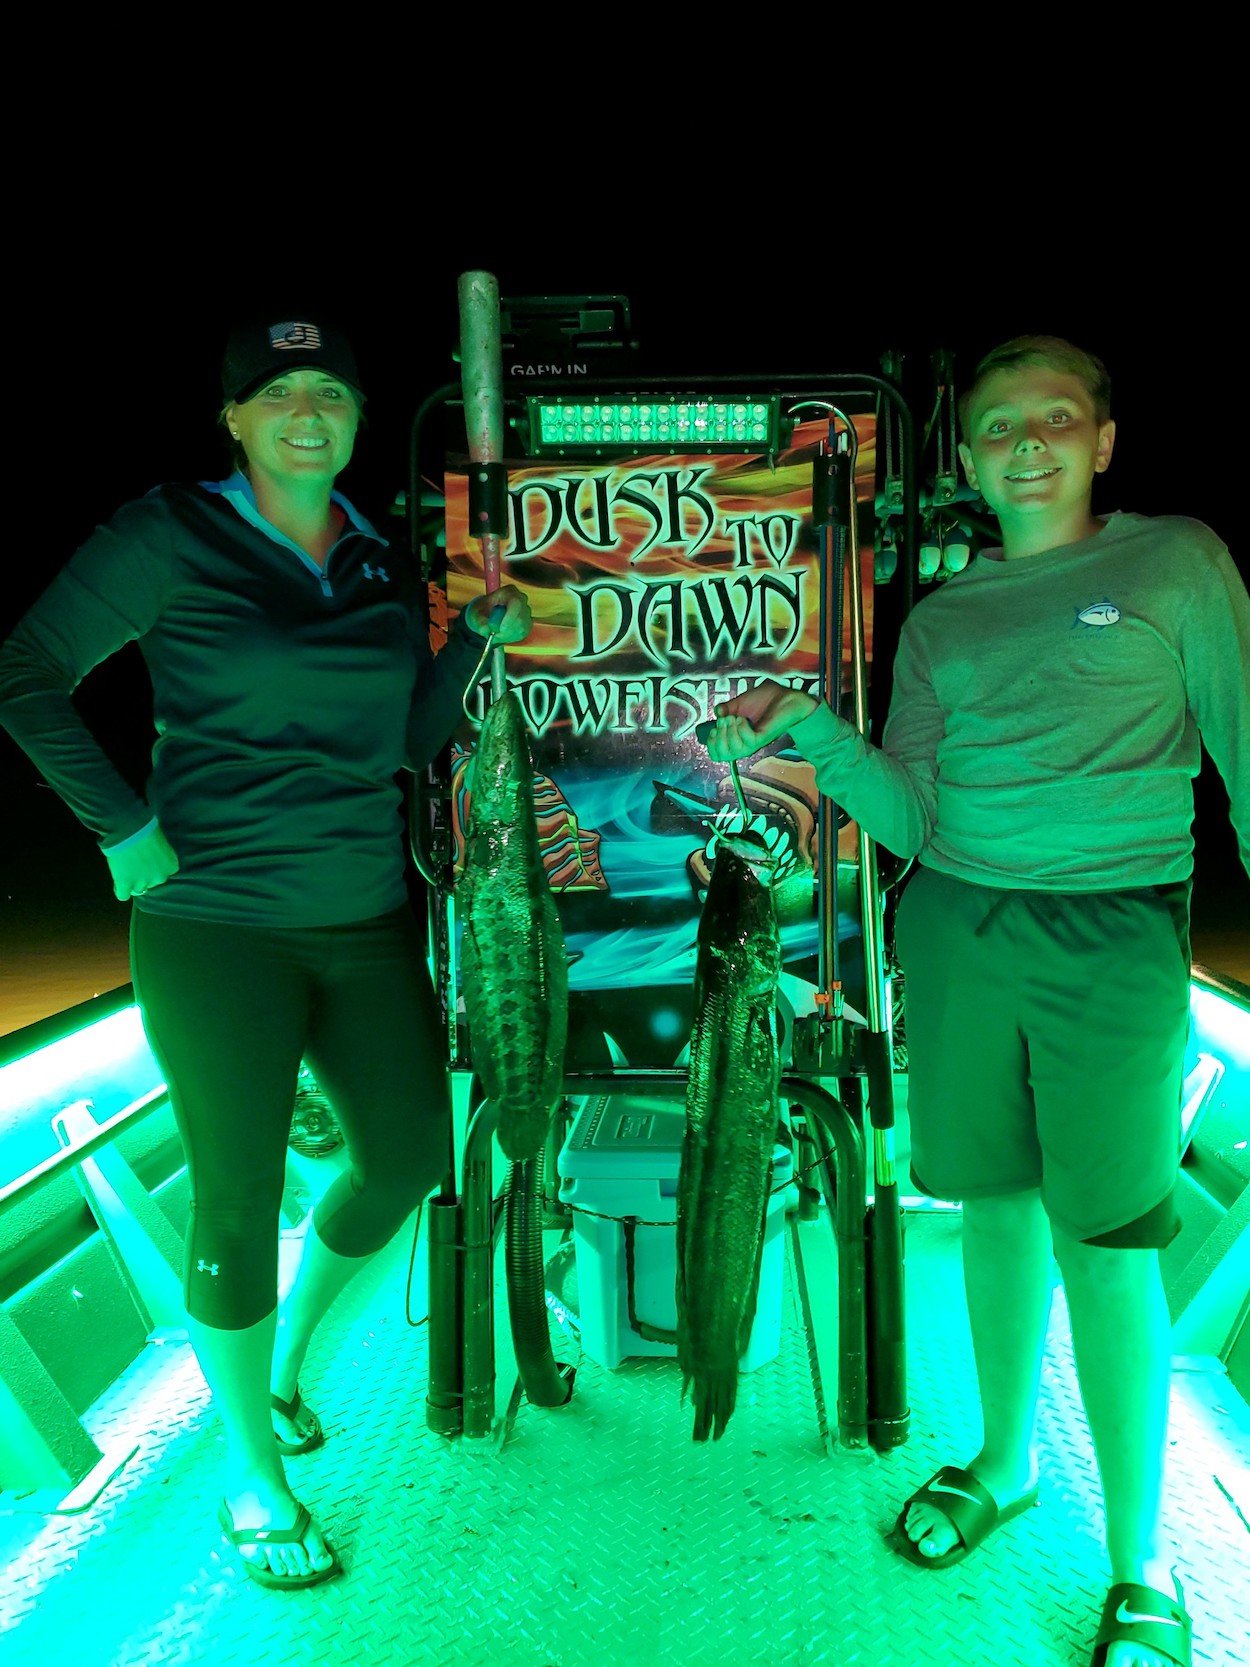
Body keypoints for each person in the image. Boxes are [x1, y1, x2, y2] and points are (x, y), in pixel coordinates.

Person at [705, 335, 1248, 1667]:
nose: (1025, 443)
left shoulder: (1175, 563)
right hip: (953, 927)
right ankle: (1005, 1460)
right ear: (964, 456)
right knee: (993, 1208)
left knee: (1107, 1241)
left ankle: (1139, 1562)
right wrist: (807, 728)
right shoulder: (942, 618)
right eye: (998, 425)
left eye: (1054, 417)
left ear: (1102, 440)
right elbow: (909, 817)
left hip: (1112, 932)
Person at [0, 316, 530, 1589]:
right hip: (216, 925)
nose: (306, 411)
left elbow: (403, 739)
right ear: (233, 417)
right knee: (233, 1197)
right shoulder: (168, 532)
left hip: (363, 917)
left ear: (354, 419)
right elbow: (25, 673)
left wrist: (472, 641)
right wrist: (120, 824)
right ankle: (251, 1471)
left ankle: (285, 1361)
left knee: (405, 1157)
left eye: (329, 392)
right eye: (277, 391)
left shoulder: (374, 553)